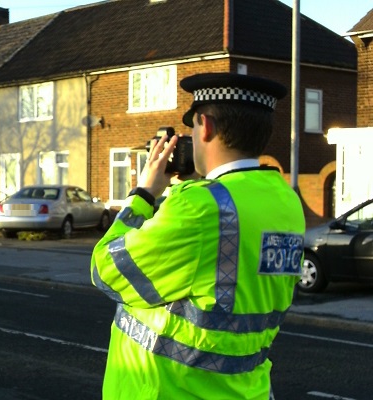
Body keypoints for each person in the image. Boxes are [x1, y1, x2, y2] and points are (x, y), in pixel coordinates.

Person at [91, 73, 305, 400]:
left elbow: (105, 271)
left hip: (173, 391)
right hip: (248, 391)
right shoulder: (286, 201)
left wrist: (143, 195)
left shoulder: (198, 207)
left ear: (204, 126)